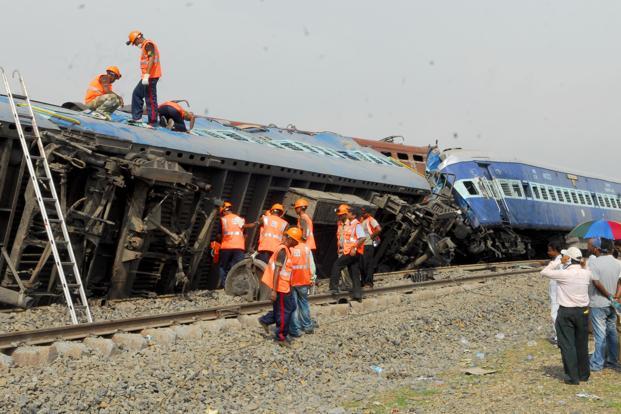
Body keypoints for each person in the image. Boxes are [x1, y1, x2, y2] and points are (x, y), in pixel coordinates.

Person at [541, 246, 593, 385]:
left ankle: (572, 377)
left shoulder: (564, 274)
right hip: (583, 312)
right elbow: (586, 269)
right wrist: (583, 264)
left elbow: (544, 272)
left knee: (567, 344)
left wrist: (558, 261)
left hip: (566, 312)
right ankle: (584, 374)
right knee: (582, 343)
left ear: (568, 258)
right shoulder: (586, 273)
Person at [258, 228, 301, 345]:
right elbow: (277, 270)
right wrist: (274, 290)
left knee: (290, 307)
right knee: (284, 312)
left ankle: (265, 320)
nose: (297, 243)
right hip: (281, 287)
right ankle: (280, 337)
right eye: (296, 241)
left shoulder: (286, 250)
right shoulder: (282, 251)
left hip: (286, 286)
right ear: (291, 239)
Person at [586, 238, 621, 371]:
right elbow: (620, 282)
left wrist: (608, 295)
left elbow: (596, 282)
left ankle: (597, 363)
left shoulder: (594, 263)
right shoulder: (618, 263)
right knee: (612, 332)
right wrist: (616, 297)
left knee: (600, 334)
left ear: (598, 249)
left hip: (598, 303)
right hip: (613, 305)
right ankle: (612, 360)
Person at [329, 205, 365, 301]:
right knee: (354, 272)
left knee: (337, 265)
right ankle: (357, 295)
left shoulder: (356, 224)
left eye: (349, 212)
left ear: (353, 215)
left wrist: (354, 248)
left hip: (352, 252)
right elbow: (348, 239)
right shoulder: (350, 225)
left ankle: (333, 288)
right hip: (350, 251)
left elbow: (363, 238)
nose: (347, 214)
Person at [126, 30, 161, 126]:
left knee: (150, 98)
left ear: (139, 38)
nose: (135, 45)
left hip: (151, 76)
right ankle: (137, 118)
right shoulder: (145, 46)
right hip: (147, 76)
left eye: (134, 42)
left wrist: (147, 75)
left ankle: (153, 122)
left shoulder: (148, 44)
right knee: (136, 94)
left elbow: (151, 58)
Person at [218, 202, 256, 287]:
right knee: (237, 267)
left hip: (226, 247)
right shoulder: (240, 219)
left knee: (223, 267)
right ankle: (234, 287)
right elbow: (245, 235)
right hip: (239, 248)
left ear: (223, 211)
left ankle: (225, 286)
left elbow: (219, 235)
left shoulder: (223, 219)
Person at [288, 228, 315, 338]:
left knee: (293, 306)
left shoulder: (289, 249)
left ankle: (296, 329)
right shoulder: (307, 248)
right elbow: (311, 266)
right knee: (304, 303)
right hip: (304, 281)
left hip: (292, 281)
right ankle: (308, 326)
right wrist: (312, 278)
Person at [545, 241, 564, 344]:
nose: (548, 252)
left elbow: (545, 272)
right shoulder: (561, 260)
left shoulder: (558, 261)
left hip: (557, 292)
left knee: (554, 313)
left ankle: (558, 337)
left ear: (555, 250)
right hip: (558, 291)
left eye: (549, 250)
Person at [359, 207, 381, 287]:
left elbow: (378, 229)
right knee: (361, 264)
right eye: (362, 212)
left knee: (368, 264)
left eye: (364, 213)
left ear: (369, 213)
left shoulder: (371, 220)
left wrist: (372, 237)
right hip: (361, 245)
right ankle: (363, 281)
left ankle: (369, 282)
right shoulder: (362, 220)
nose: (363, 214)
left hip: (368, 245)